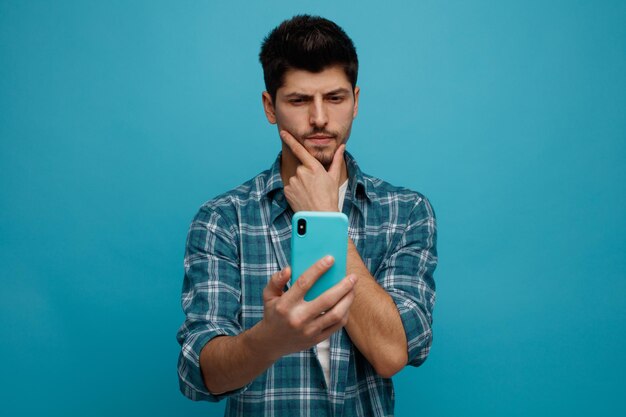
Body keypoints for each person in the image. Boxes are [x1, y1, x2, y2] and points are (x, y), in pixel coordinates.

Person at [177, 15, 437, 417]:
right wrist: (267, 340)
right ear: (270, 107)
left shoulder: (406, 212)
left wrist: (325, 217)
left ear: (356, 101)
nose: (319, 118)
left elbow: (391, 354)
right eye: (299, 100)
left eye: (335, 98)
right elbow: (199, 373)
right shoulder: (222, 220)